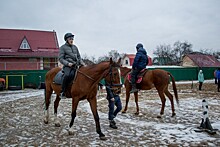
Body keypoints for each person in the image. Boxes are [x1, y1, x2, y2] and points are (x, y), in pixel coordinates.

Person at [59, 33, 85, 98]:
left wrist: (83, 64)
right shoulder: (62, 48)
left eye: (72, 39)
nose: (72, 40)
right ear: (67, 40)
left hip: (76, 65)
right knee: (68, 75)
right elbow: (61, 58)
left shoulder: (75, 47)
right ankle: (63, 91)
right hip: (68, 66)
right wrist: (68, 63)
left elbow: (79, 57)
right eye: (70, 39)